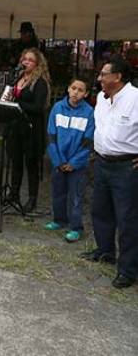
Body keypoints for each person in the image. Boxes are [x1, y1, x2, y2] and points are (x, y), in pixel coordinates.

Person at [80, 56, 138, 289]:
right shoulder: (103, 100)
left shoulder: (135, 98)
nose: (100, 78)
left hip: (126, 167)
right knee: (100, 210)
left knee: (127, 219)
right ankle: (105, 251)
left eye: (104, 74)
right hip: (102, 163)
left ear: (118, 77)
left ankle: (128, 269)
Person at [45, 77, 94, 243]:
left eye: (80, 90)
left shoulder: (89, 113)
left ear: (86, 94)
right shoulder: (57, 108)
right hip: (59, 161)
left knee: (75, 196)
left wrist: (74, 163)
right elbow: (51, 136)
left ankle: (75, 227)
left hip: (77, 165)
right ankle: (59, 220)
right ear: (68, 89)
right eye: (73, 88)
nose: (76, 92)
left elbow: (88, 143)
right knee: (58, 192)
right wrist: (58, 160)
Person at [8, 48, 51, 213]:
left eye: (30, 60)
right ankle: (13, 193)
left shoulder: (40, 82)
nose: (25, 62)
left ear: (38, 64)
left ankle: (32, 199)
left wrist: (18, 104)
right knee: (16, 162)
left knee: (31, 165)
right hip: (16, 127)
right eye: (24, 59)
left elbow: (38, 107)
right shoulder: (18, 78)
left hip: (31, 129)